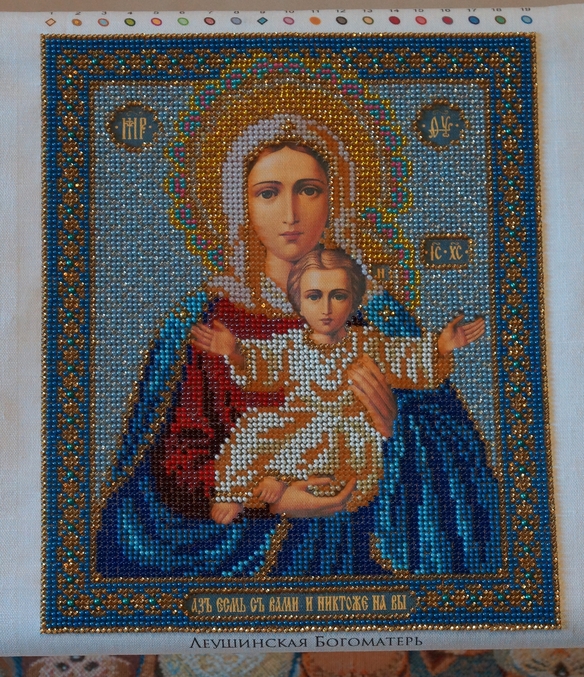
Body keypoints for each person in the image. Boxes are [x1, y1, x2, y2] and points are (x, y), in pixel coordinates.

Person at [97, 110, 500, 577]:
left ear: (337, 198)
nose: (290, 214)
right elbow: (174, 461)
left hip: (352, 542)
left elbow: (454, 453)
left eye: (309, 190)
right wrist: (272, 499)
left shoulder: (375, 315)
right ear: (239, 205)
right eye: (268, 193)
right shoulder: (207, 322)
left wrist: (395, 423)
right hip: (238, 549)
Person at [193, 248, 484, 524]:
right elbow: (262, 365)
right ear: (298, 301)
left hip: (347, 433)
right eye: (314, 296)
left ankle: (279, 480)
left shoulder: (368, 344)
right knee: (256, 425)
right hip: (297, 423)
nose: (326, 309)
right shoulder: (291, 346)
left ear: (353, 300)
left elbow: (405, 360)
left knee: (325, 442)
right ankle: (234, 493)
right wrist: (235, 351)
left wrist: (440, 347)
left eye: (338, 296)